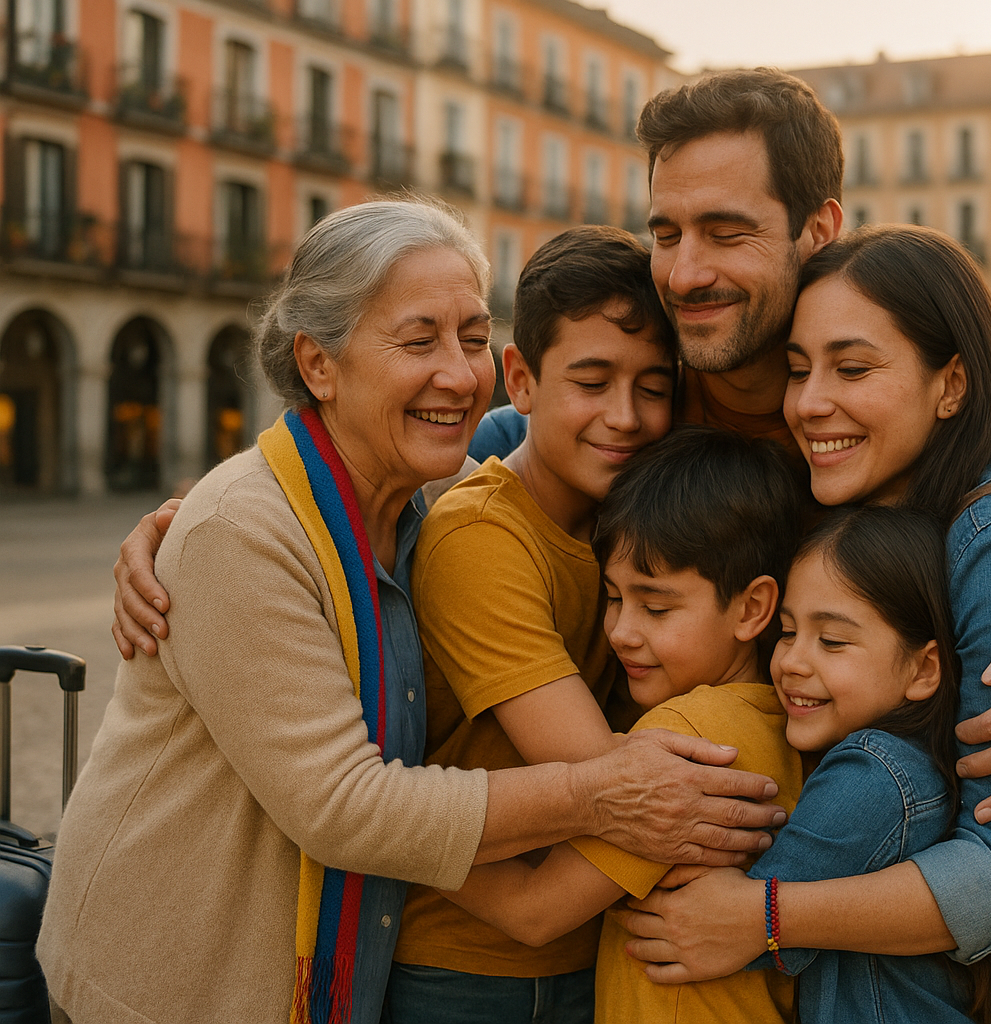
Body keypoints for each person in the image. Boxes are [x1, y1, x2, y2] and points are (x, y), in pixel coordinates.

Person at [111, 66, 991, 841]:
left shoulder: (891, 382)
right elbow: (451, 465)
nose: (685, 270)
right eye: (666, 231)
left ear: (819, 227)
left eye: (728, 232)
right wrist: (204, 516)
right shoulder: (647, 404)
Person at [36, 200, 784, 1024]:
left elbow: (535, 451)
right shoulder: (240, 531)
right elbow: (344, 806)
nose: (460, 375)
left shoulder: (430, 488)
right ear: (319, 367)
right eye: (419, 340)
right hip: (174, 979)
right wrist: (605, 791)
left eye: (470, 338)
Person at [619, 227, 991, 1021]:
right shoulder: (891, 495)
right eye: (799, 370)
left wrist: (762, 917)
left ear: (951, 385)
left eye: (853, 368)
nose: (809, 403)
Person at [383, 225, 686, 1024]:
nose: (625, 416)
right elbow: (610, 781)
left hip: (591, 950)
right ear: (520, 378)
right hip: (467, 972)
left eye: (653, 387)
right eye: (591, 381)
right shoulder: (480, 536)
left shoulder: (628, 524)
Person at [437, 426, 807, 1024]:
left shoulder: (692, 733)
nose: (622, 632)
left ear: (753, 608)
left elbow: (535, 911)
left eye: (657, 607)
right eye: (613, 597)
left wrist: (394, 832)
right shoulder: (780, 718)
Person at [747, 503, 991, 1024]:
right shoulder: (923, 762)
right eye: (788, 632)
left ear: (923, 669)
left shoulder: (872, 776)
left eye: (832, 641)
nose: (791, 660)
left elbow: (743, 934)